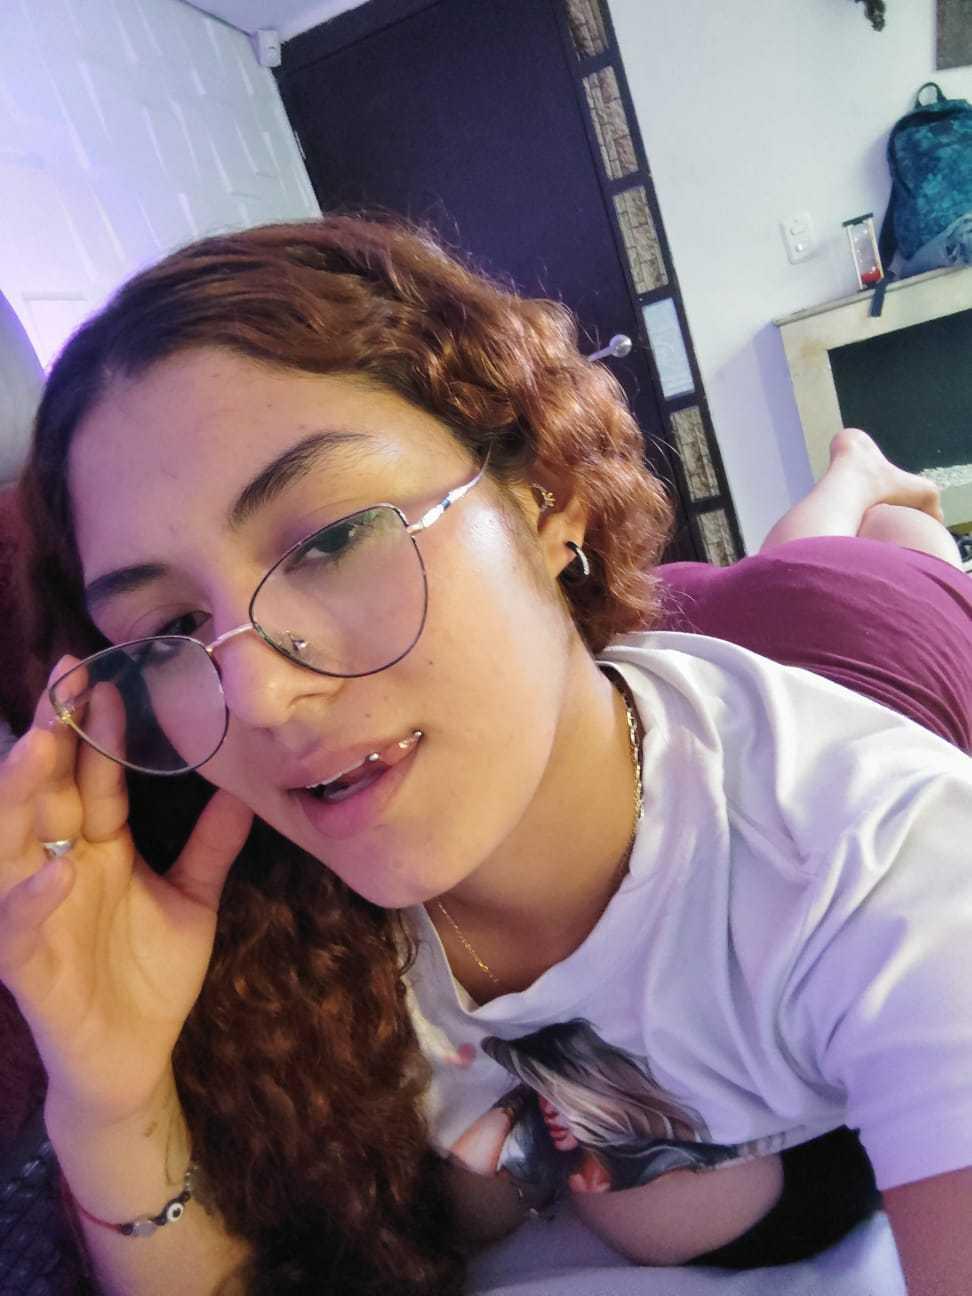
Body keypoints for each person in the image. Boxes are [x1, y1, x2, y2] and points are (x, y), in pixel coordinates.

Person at [0, 216, 970, 1296]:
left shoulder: (887, 858)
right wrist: (111, 1098)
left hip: (862, 636)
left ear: (548, 494)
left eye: (333, 539)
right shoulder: (230, 893)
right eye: (173, 628)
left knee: (859, 559)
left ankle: (859, 481)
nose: (259, 697)